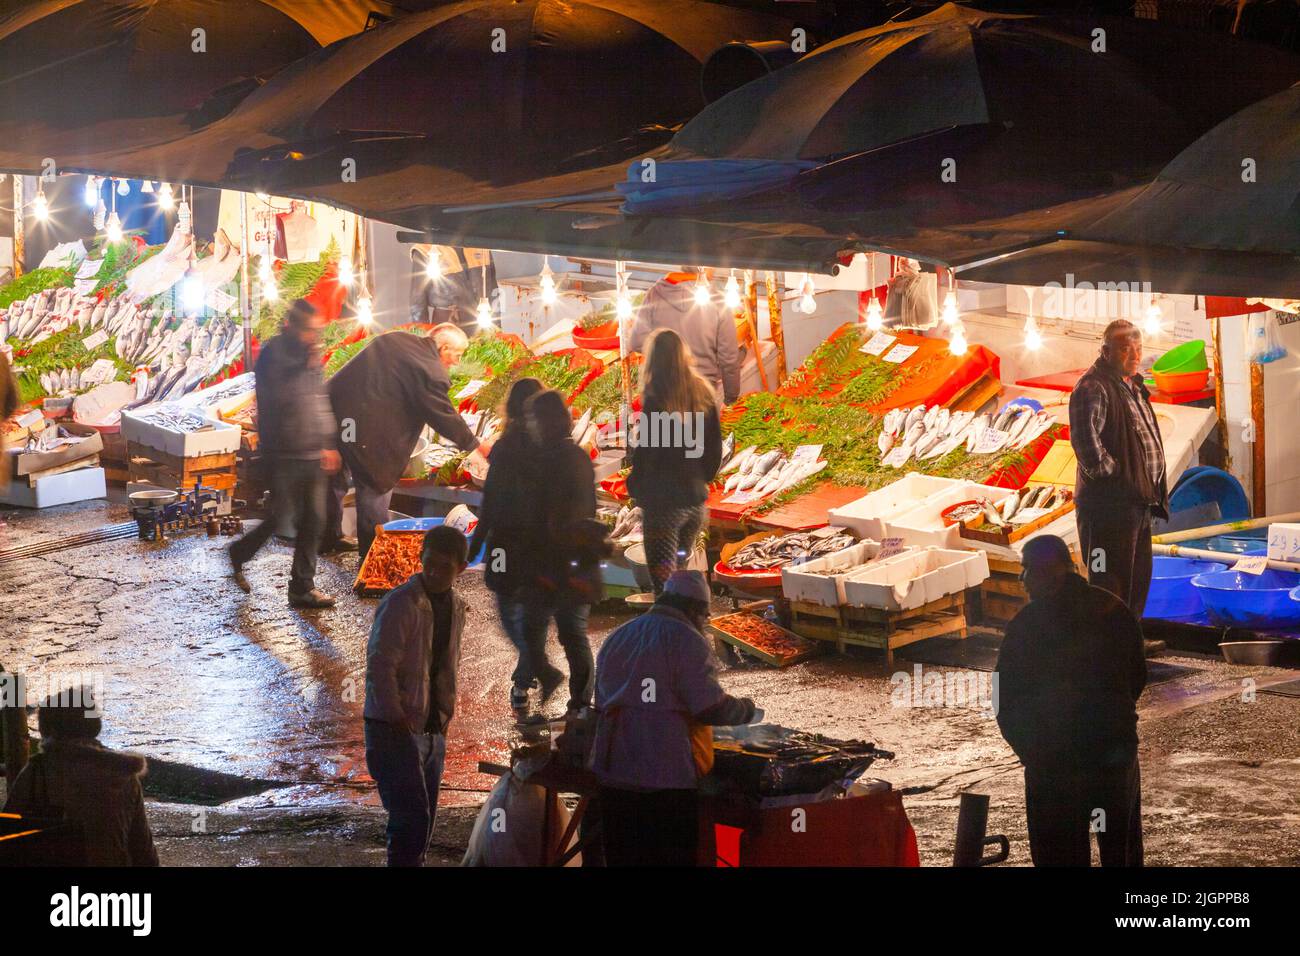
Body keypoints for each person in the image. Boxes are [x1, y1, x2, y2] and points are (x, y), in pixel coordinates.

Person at [995, 535, 1147, 867]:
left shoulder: (1026, 626)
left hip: (1055, 766)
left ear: (1053, 571)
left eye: (1028, 571)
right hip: (1113, 755)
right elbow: (1136, 679)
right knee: (1119, 851)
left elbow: (1007, 700)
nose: (1022, 580)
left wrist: (1034, 752)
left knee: (1059, 856)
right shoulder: (1115, 611)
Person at [590, 570, 760, 866]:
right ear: (694, 609)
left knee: (624, 859)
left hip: (615, 775)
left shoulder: (619, 635)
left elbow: (601, 702)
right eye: (704, 616)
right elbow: (709, 708)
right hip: (666, 777)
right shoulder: (687, 640)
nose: (704, 622)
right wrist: (747, 710)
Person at [326, 323, 489, 560]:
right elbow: (442, 415)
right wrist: (474, 444)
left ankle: (328, 537)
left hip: (336, 415)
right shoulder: (430, 369)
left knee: (335, 480)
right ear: (443, 348)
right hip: (367, 434)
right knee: (375, 487)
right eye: (457, 354)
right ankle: (373, 558)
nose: (456, 361)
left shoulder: (397, 338)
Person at [363, 525, 469, 867]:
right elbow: (380, 666)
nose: (435, 573)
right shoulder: (401, 604)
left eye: (445, 567)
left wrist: (444, 717)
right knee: (410, 822)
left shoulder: (456, 607)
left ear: (462, 569)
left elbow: (446, 666)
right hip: (393, 728)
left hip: (432, 729)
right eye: (430, 564)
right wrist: (396, 717)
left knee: (422, 822)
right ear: (420, 560)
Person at [229, 298, 340, 608]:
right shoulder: (273, 355)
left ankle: (302, 587)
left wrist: (329, 441)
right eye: (311, 331)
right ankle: (240, 553)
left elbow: (319, 400)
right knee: (279, 518)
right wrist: (303, 366)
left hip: (312, 452)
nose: (315, 338)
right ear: (293, 327)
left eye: (318, 331)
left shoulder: (311, 357)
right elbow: (278, 401)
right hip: (283, 453)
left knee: (314, 520)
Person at [513, 388, 607, 719]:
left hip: (566, 563)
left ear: (553, 421)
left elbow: (560, 516)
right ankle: (536, 684)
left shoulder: (564, 460)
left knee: (563, 631)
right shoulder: (561, 457)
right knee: (542, 628)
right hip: (559, 562)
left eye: (536, 420)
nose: (533, 426)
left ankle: (578, 702)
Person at [1068, 319, 1169, 615]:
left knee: (1137, 580)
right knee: (1106, 581)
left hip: (1135, 505)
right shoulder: (1092, 387)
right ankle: (1104, 648)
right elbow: (1087, 448)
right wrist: (1117, 477)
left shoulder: (1132, 385)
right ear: (1106, 351)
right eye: (1126, 349)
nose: (1136, 355)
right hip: (1106, 510)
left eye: (1139, 348)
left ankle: (1130, 641)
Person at [4, 686, 159, 866]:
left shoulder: (38, 771)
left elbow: (7, 835)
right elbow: (143, 849)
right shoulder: (123, 772)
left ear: (50, 729)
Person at [466, 377, 544, 712]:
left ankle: (527, 672)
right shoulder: (549, 446)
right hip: (538, 544)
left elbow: (490, 503)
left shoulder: (504, 447)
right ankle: (530, 669)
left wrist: (473, 548)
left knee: (510, 613)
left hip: (507, 545)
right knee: (533, 615)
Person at [627, 328, 723, 594]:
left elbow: (648, 453)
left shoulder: (657, 398)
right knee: (678, 577)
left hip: (665, 506)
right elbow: (715, 449)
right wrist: (699, 479)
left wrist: (634, 486)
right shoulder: (703, 391)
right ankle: (690, 630)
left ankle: (675, 632)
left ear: (653, 360)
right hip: (694, 503)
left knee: (664, 587)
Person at [628, 270, 742, 404]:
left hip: (663, 391)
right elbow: (728, 358)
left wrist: (665, 353)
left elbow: (636, 341)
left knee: (663, 425)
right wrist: (731, 398)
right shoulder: (718, 301)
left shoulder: (655, 294)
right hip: (702, 394)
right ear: (705, 267)